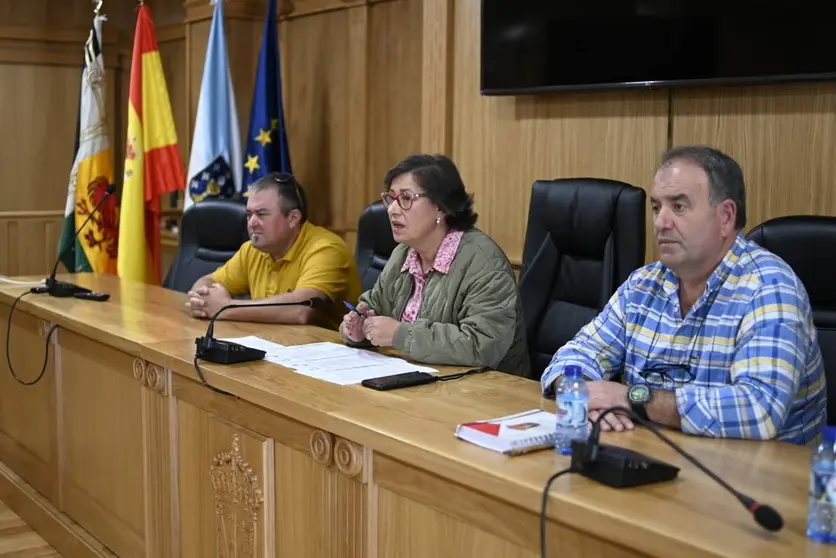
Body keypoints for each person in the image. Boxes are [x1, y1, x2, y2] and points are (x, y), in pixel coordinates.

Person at [541, 145, 826, 445]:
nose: (661, 222)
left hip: (763, 481)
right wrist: (585, 396)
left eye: (678, 206)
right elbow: (574, 355)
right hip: (659, 460)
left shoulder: (769, 287)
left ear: (725, 217)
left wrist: (633, 398)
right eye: (656, 207)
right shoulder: (643, 284)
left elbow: (758, 409)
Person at [340, 154, 530, 377]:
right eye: (391, 198)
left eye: (406, 198)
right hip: (421, 382)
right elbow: (373, 306)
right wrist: (358, 330)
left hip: (486, 392)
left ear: (440, 207)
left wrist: (401, 335)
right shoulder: (404, 253)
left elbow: (482, 346)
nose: (392, 210)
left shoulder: (484, 262)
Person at [186, 172, 363, 330]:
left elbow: (301, 310)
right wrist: (201, 300)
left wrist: (225, 307)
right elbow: (207, 281)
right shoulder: (253, 250)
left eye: (261, 214)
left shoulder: (326, 249)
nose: (251, 223)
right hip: (274, 345)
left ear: (293, 218)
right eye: (249, 214)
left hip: (329, 357)